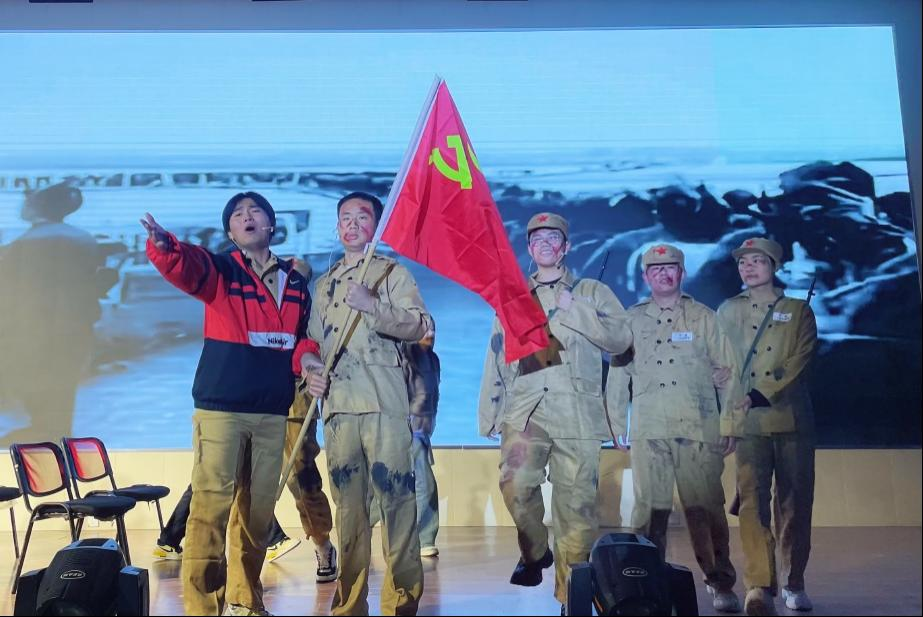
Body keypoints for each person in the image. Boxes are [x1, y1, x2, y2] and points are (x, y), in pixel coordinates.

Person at [142, 191, 318, 616]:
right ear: (231, 233)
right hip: (222, 409)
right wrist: (166, 247)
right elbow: (187, 266)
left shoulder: (295, 283)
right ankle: (203, 607)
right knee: (210, 508)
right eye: (238, 214)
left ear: (271, 224)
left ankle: (246, 599)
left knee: (257, 515)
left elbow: (299, 340)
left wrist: (310, 361)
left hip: (272, 412)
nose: (247, 216)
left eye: (255, 211)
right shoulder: (222, 271)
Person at [478, 212, 632, 610]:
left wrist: (577, 308)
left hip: (577, 413)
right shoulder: (514, 295)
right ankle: (535, 551)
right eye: (538, 239)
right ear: (529, 248)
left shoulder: (592, 291)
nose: (545, 244)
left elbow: (621, 341)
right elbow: (496, 352)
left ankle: (571, 598)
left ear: (566, 247)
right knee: (515, 487)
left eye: (553, 238)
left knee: (576, 510)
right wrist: (490, 410)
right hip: (526, 410)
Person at [302, 191, 431, 616]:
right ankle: (350, 605)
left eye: (362, 217)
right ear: (337, 226)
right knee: (349, 513)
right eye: (345, 217)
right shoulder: (325, 284)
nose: (352, 224)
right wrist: (310, 369)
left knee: (397, 505)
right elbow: (313, 344)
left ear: (377, 226)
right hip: (339, 409)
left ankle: (401, 604)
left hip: (382, 403)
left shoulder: (392, 273)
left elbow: (420, 326)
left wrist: (373, 305)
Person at [607, 243, 745, 613]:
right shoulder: (631, 320)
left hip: (698, 429)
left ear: (682, 273)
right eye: (656, 269)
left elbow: (729, 374)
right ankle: (645, 585)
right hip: (650, 428)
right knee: (649, 512)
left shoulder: (704, 317)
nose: (664, 274)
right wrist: (616, 422)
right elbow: (618, 375)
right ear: (645, 276)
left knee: (705, 509)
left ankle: (720, 581)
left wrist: (730, 422)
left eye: (671, 268)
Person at [717, 237, 818, 616]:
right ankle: (759, 585)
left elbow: (799, 362)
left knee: (794, 503)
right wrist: (727, 420)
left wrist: (760, 393)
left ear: (774, 266)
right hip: (748, 423)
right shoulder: (727, 310)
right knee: (751, 504)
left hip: (790, 418)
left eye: (758, 260)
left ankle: (794, 580)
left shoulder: (798, 311)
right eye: (743, 262)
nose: (749, 267)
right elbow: (724, 367)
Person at [0, 182, 107, 445]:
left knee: (38, 390)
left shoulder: (23, 245)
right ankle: (55, 438)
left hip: (32, 332)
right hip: (74, 332)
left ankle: (44, 438)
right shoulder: (84, 239)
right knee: (62, 392)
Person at [369, 325, 442, 557]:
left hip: (422, 432)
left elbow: (433, 397)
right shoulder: (405, 357)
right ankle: (423, 537)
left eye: (432, 329)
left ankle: (366, 522)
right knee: (420, 483)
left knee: (405, 484)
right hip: (407, 430)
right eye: (425, 329)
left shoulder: (434, 360)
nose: (430, 334)